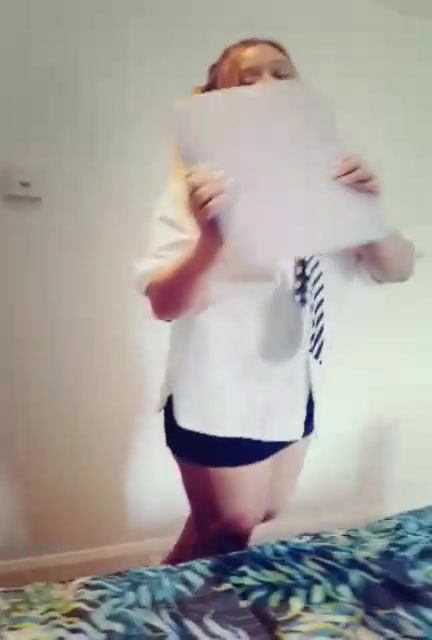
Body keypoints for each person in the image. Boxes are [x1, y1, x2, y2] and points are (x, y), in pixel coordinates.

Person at [136, 38, 415, 565]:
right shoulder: (196, 191)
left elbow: (396, 269)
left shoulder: (331, 180)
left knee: (261, 511)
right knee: (230, 529)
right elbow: (163, 303)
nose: (268, 86)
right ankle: (180, 603)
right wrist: (211, 241)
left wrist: (369, 216)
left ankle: (167, 579)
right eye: (246, 80)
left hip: (292, 385)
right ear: (217, 104)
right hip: (218, 392)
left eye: (281, 73)